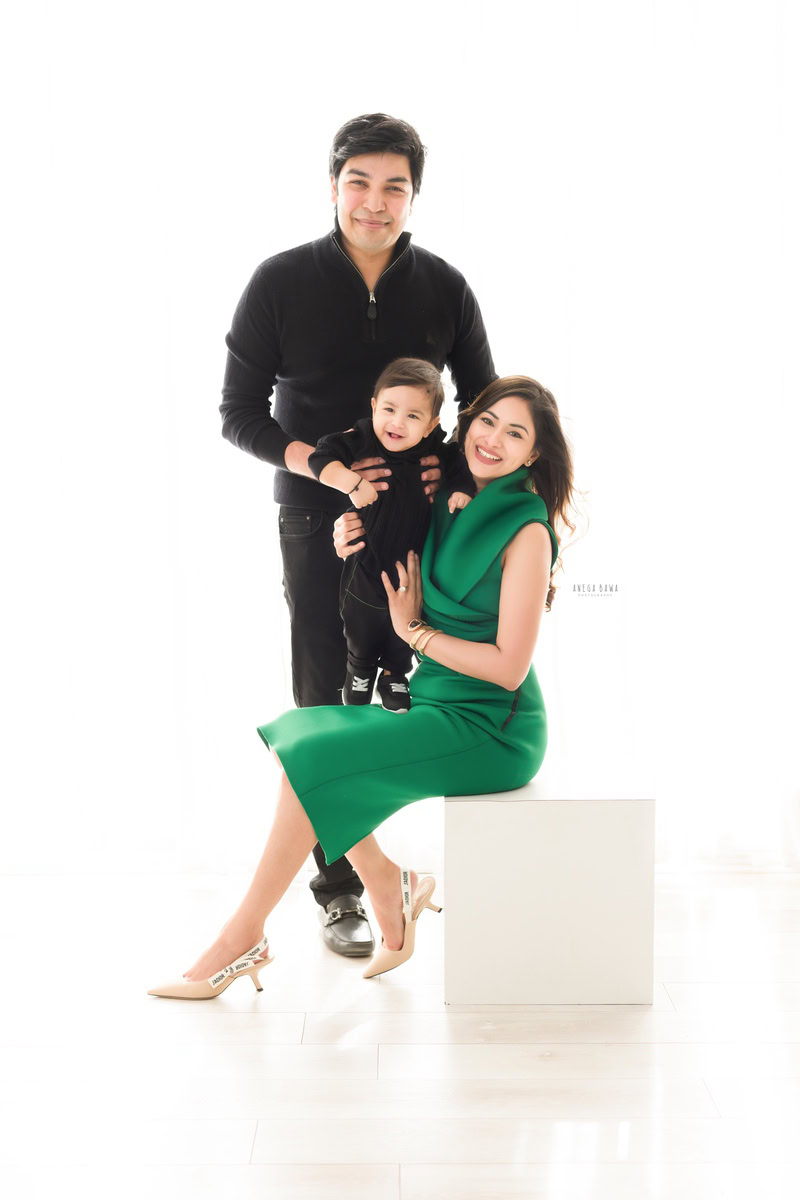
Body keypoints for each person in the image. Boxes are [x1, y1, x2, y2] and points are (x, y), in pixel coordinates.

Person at [147, 376, 576, 999]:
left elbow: (509, 667)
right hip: (435, 701)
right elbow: (388, 551)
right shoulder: (444, 496)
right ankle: (381, 879)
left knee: (312, 754)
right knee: (301, 734)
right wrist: (352, 538)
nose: (493, 440)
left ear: (534, 455)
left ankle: (245, 936)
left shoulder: (527, 531)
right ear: (467, 422)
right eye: (488, 422)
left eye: (516, 434)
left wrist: (414, 632)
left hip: (493, 726)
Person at [219, 113, 497, 955]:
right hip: (315, 516)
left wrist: (447, 480)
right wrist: (333, 475)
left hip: (423, 524)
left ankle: (416, 876)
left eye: (395, 188)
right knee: (321, 698)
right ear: (333, 184)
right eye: (359, 183)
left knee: (415, 687)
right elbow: (238, 416)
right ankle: (347, 882)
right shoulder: (279, 281)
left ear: (415, 196)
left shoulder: (444, 285)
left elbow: (485, 406)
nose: (375, 203)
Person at [309, 356, 475, 713]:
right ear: (373, 407)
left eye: (413, 416)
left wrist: (461, 488)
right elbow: (321, 456)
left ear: (431, 425)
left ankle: (395, 673)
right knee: (361, 622)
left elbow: (459, 465)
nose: (397, 422)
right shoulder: (362, 439)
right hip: (367, 561)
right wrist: (350, 482)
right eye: (389, 409)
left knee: (407, 621)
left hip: (412, 563)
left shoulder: (434, 451)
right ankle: (360, 666)